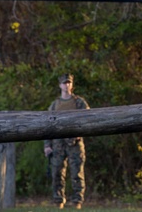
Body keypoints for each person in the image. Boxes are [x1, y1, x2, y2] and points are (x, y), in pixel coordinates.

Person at [45, 73, 90, 210]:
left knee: (77, 173)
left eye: (69, 82)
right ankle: (58, 200)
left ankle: (77, 201)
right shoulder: (54, 105)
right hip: (58, 143)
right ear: (60, 85)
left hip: (75, 142)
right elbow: (47, 125)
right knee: (57, 173)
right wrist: (47, 145)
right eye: (64, 83)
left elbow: (88, 120)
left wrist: (79, 133)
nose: (67, 85)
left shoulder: (79, 103)